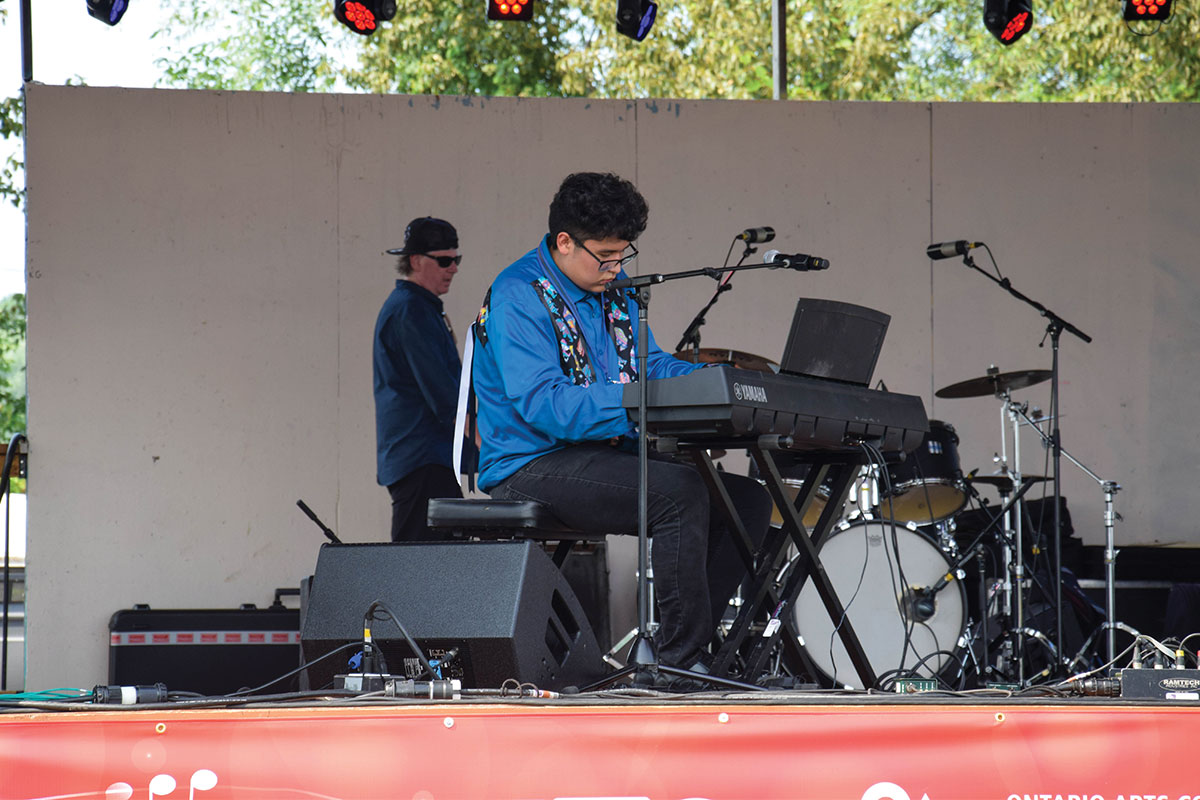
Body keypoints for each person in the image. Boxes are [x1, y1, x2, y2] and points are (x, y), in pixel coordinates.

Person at [471, 173, 771, 674]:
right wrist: (638, 400)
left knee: (748, 502)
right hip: (530, 463)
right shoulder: (518, 295)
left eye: (622, 254)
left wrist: (711, 382)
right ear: (564, 242)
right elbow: (548, 405)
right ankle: (678, 664)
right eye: (605, 256)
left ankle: (701, 652)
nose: (616, 267)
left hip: (600, 454)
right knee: (678, 493)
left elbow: (650, 365)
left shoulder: (614, 289)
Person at [374, 216, 466, 542]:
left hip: (425, 458)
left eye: (456, 259)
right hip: (423, 458)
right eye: (444, 261)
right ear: (415, 261)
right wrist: (489, 444)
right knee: (421, 562)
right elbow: (444, 395)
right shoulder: (411, 310)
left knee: (433, 560)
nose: (453, 268)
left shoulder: (416, 307)